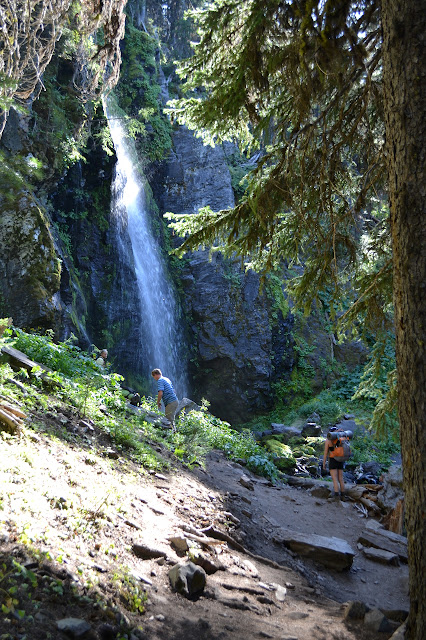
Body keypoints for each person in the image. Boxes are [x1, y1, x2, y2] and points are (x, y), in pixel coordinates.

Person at [323, 429, 346, 500]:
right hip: (340, 459)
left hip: (333, 459)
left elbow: (326, 452)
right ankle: (343, 496)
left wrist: (324, 463)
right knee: (341, 479)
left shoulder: (328, 440)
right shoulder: (341, 438)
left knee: (335, 479)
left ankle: (337, 497)